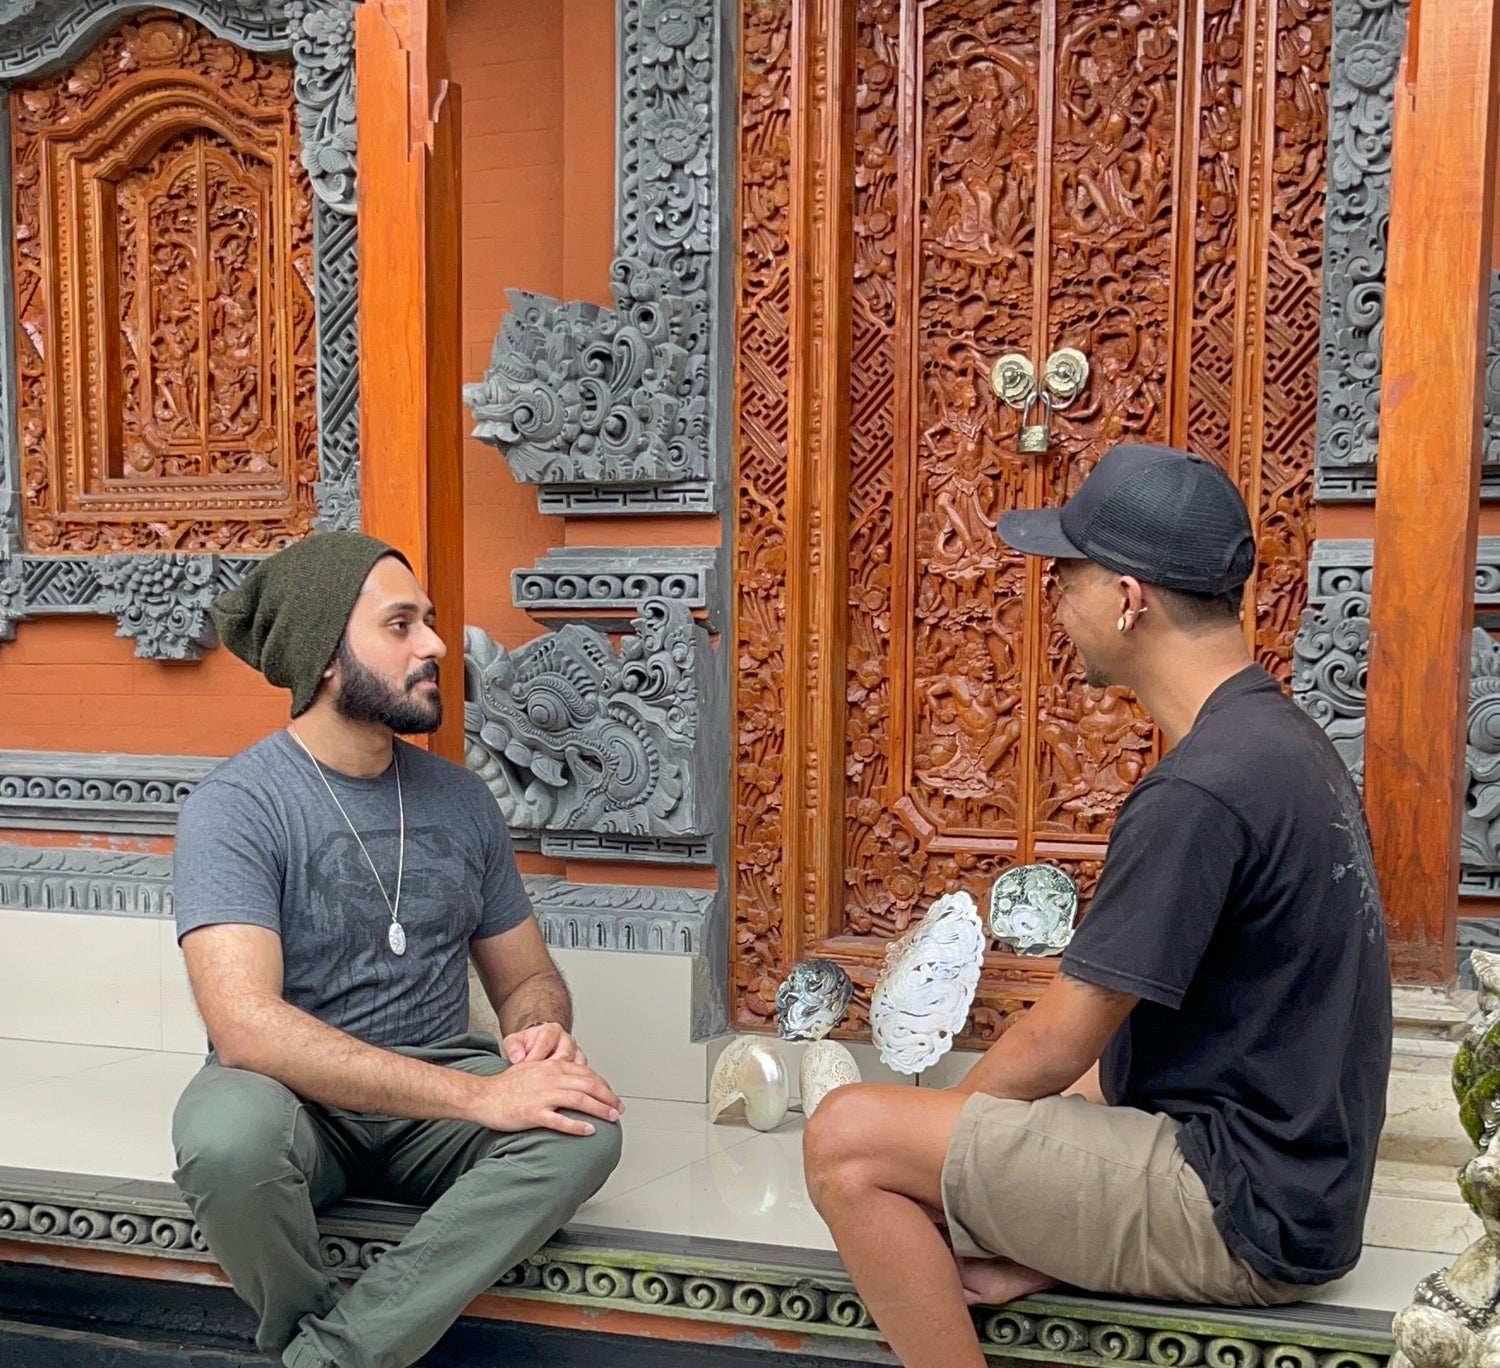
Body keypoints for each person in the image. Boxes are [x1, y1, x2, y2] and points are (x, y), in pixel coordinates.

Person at [803, 443, 1392, 1368]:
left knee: (849, 1139)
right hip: (1295, 1185)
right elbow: (1133, 1043)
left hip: (1239, 1207)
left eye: (1066, 575)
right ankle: (1034, 1240)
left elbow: (1055, 1042)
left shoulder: (1201, 789)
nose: (1055, 601)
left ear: (1128, 597)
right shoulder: (1281, 741)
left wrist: (941, 1165)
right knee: (1045, 1098)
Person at [170, 532, 624, 1368]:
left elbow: (526, 975)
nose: (436, 646)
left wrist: (538, 1029)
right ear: (328, 655)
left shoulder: (460, 799)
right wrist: (476, 1098)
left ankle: (333, 1358)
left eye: (431, 623)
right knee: (226, 1143)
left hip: (433, 1094)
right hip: (292, 1099)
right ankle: (315, 1334)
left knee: (584, 1129)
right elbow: (246, 1030)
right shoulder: (235, 806)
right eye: (402, 625)